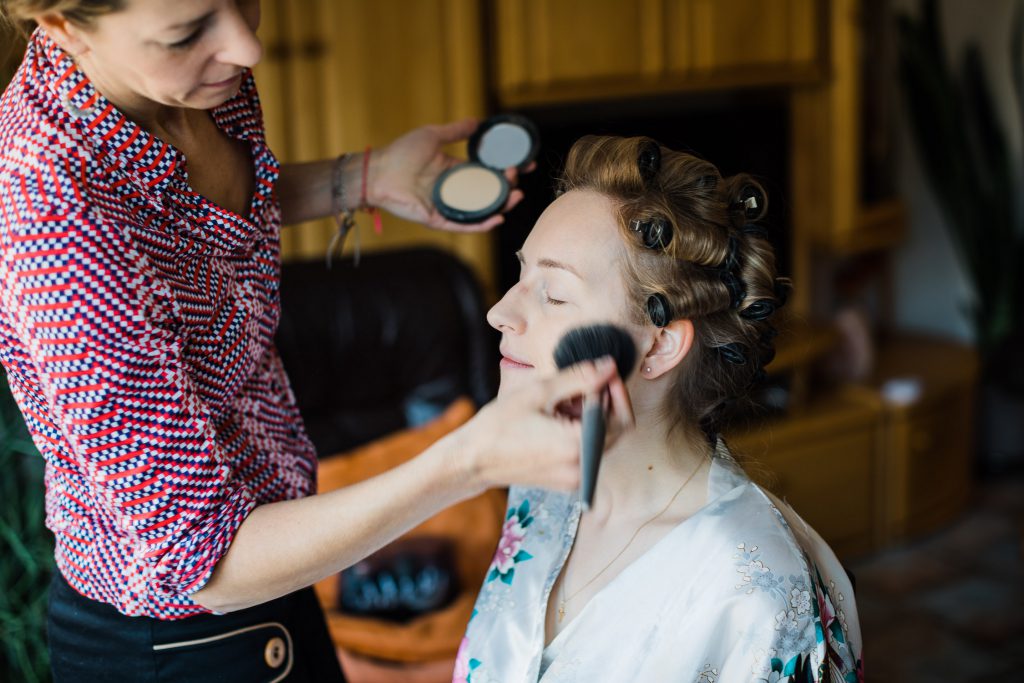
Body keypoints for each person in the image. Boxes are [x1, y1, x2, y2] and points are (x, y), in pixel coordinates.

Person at [0, 1, 633, 681]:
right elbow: (209, 566)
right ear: (60, 23)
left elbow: (196, 221)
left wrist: (362, 178)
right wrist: (470, 459)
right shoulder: (49, 215)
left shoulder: (192, 78)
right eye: (187, 34)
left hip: (282, 562)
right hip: (178, 639)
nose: (246, 48)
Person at [455, 135, 863, 682]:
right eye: (520, 276)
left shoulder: (752, 596)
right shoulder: (544, 488)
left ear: (659, 345)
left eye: (553, 295)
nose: (499, 313)